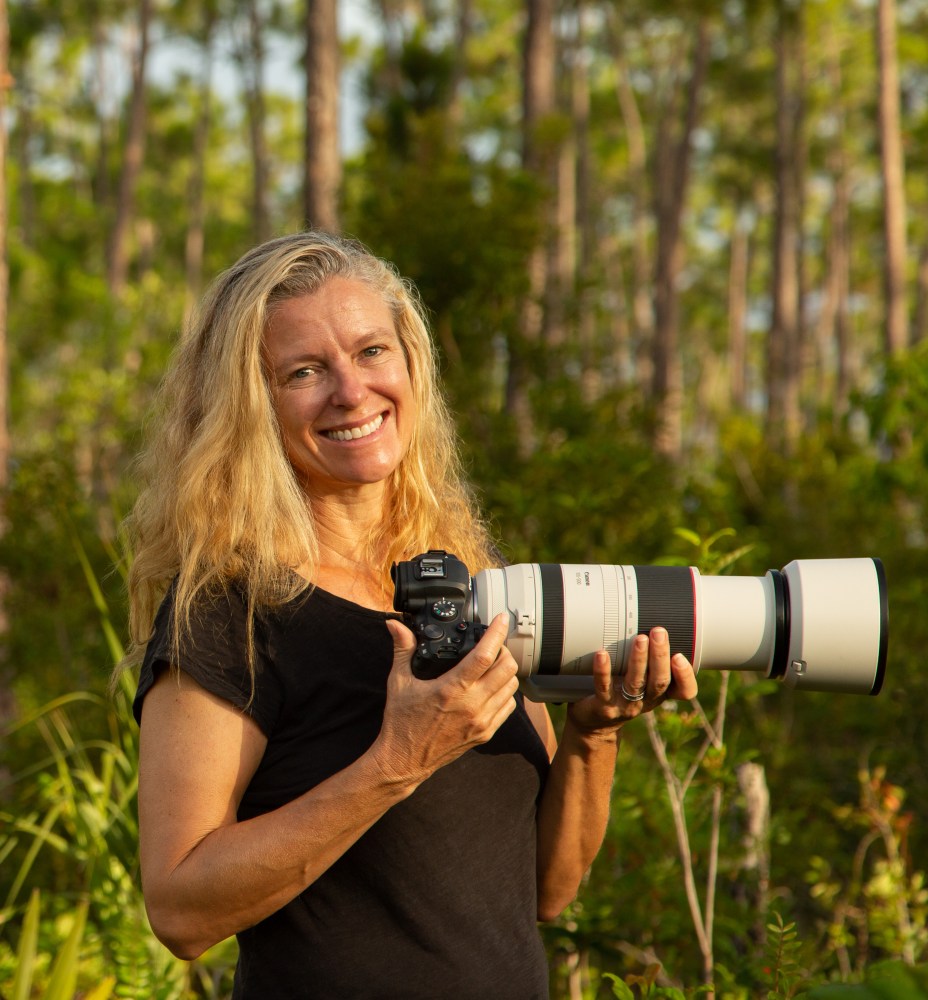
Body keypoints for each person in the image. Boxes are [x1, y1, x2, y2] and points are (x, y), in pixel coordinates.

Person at [120, 231, 698, 999]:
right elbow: (181, 910)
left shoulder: (477, 585)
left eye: (370, 352)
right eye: (304, 372)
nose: (351, 393)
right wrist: (401, 758)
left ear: (410, 365)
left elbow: (545, 891)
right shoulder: (231, 609)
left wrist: (595, 731)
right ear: (250, 408)